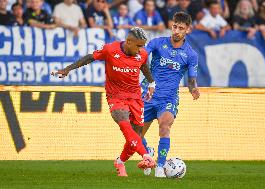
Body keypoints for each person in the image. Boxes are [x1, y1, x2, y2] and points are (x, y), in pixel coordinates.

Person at [51, 27, 156, 177]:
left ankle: (120, 162)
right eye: (139, 46)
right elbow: (90, 57)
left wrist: (152, 83)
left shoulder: (142, 54)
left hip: (135, 97)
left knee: (136, 137)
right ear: (128, 41)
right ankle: (146, 156)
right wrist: (68, 68)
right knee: (124, 123)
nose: (141, 50)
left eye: (143, 46)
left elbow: (144, 66)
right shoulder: (110, 49)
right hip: (115, 96)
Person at [141, 12, 200, 177]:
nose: (177, 31)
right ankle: (148, 153)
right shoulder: (157, 43)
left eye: (181, 28)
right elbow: (142, 55)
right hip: (147, 95)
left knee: (164, 125)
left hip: (168, 98)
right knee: (136, 134)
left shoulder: (190, 54)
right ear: (171, 26)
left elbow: (191, 79)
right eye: (175, 26)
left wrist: (193, 88)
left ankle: (160, 167)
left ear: (187, 30)